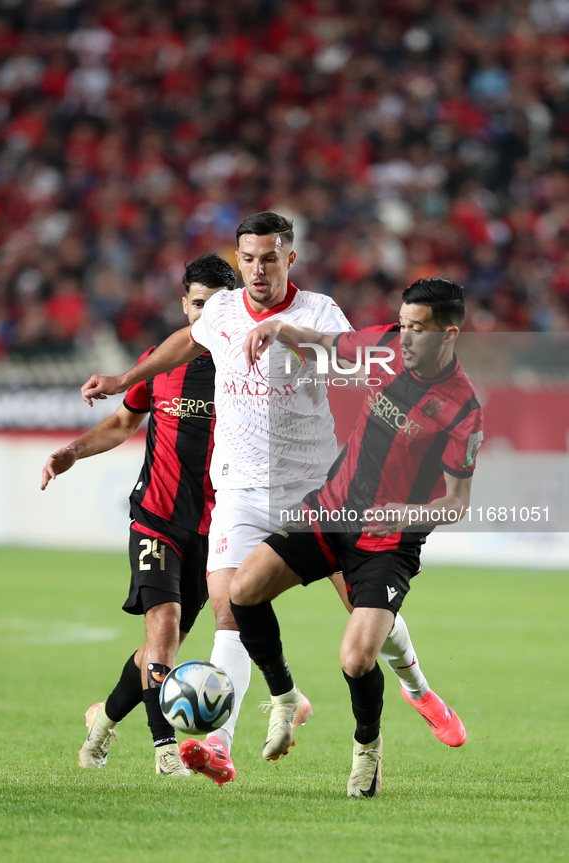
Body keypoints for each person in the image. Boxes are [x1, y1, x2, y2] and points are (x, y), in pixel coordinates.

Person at [80, 214, 467, 785]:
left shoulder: (320, 311)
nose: (257, 270)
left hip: (315, 487)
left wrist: (296, 341)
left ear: (290, 258)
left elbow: (348, 358)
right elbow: (189, 340)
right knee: (230, 610)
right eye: (248, 259)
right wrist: (123, 379)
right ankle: (220, 742)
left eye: (269, 258)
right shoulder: (224, 311)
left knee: (368, 621)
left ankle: (420, 690)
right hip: (237, 487)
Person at [230, 277, 483, 798]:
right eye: (404, 324)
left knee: (356, 659)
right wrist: (278, 327)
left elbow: (457, 504)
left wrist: (409, 512)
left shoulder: (462, 409)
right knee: (243, 589)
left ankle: (367, 748)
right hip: (329, 509)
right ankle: (284, 695)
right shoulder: (385, 344)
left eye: (419, 330)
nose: (406, 337)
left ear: (450, 335)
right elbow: (326, 345)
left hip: (387, 544)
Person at [41, 253, 238, 780]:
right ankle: (165, 750)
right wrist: (73, 453)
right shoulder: (161, 362)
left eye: (218, 307)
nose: (206, 318)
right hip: (155, 516)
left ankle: (101, 723)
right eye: (198, 306)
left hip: (216, 530)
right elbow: (124, 420)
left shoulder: (247, 372)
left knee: (160, 648)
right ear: (185, 304)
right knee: (165, 625)